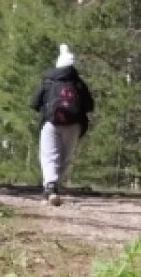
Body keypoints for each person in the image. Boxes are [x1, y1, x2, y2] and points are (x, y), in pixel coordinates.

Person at [29, 44, 94, 206]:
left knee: (49, 155)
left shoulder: (48, 81)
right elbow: (90, 105)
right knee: (65, 158)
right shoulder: (79, 84)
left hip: (50, 122)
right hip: (73, 125)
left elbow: (34, 102)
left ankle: (50, 187)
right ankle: (53, 187)